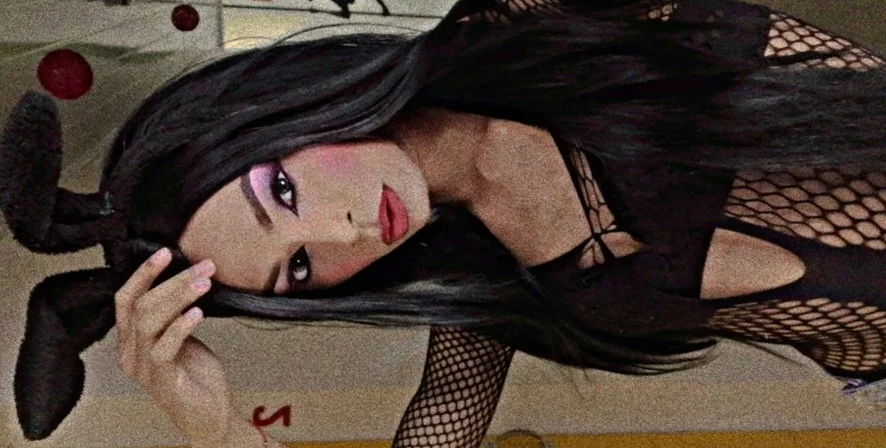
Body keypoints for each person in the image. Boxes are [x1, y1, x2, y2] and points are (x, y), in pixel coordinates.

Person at [3, 0, 886, 446]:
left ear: (279, 112)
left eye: (285, 191)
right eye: (299, 269)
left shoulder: (529, 25)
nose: (346, 235)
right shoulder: (485, 286)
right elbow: (447, 413)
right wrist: (219, 433)